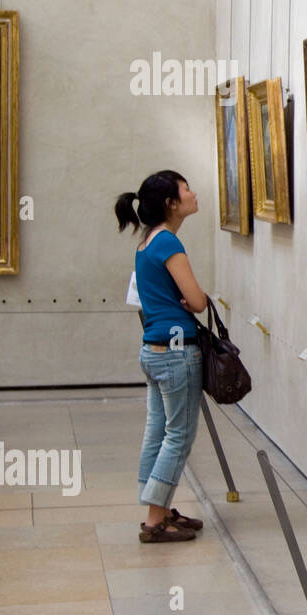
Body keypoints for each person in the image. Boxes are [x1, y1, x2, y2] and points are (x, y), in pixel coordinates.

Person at [114, 170, 208, 543]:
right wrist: (191, 300)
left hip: (152, 350)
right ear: (171, 203)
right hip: (176, 353)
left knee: (157, 431)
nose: (193, 193)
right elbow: (198, 301)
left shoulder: (146, 242)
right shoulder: (169, 243)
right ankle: (155, 520)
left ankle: (161, 507)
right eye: (186, 189)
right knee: (179, 435)